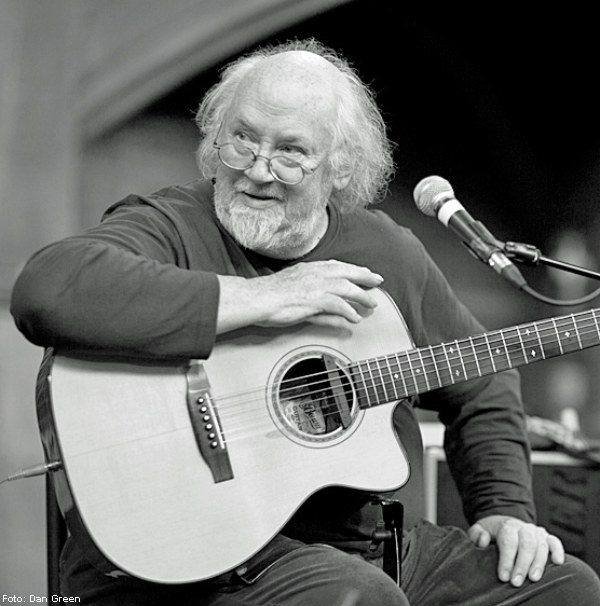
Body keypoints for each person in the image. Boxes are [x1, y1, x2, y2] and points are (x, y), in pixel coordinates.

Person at [10, 39, 600, 606]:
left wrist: (504, 508)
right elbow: (48, 288)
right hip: (197, 567)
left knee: (565, 586)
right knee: (354, 596)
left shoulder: (385, 251)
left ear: (339, 170)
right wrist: (263, 296)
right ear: (215, 141)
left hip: (369, 553)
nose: (258, 170)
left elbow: (482, 379)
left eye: (290, 151)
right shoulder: (171, 223)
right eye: (241, 140)